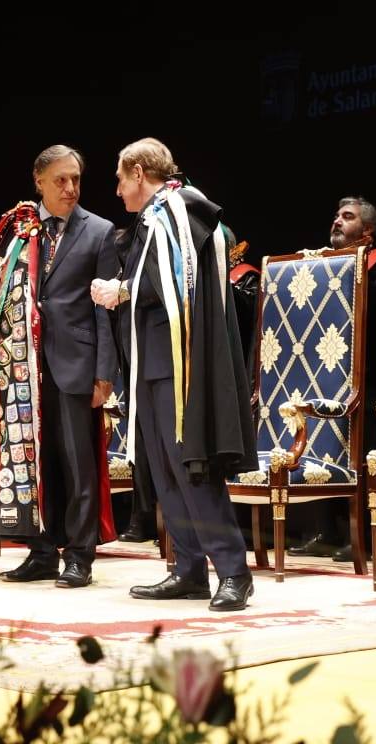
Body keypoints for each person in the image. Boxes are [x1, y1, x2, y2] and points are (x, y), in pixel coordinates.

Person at [91, 137, 253, 610]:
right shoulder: (156, 219)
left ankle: (234, 572)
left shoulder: (178, 209)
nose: (118, 191)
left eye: (121, 179)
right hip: (150, 363)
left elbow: (172, 284)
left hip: (179, 366)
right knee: (164, 472)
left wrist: (120, 290)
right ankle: (187, 568)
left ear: (140, 172)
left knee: (192, 469)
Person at [0, 145, 118, 589]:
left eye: (76, 180)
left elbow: (107, 312)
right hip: (26, 366)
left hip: (77, 363)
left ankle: (81, 555)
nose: (70, 188)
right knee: (36, 461)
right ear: (39, 182)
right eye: (61, 180)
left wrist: (104, 373)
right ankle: (43, 550)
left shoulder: (100, 231)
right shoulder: (23, 234)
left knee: (79, 464)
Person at [287, 195, 376, 562]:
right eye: (336, 216)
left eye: (347, 217)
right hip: (322, 374)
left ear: (367, 231)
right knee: (320, 452)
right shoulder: (323, 262)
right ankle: (324, 531)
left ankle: (361, 536)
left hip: (366, 377)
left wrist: (340, 279)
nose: (337, 222)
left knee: (358, 457)